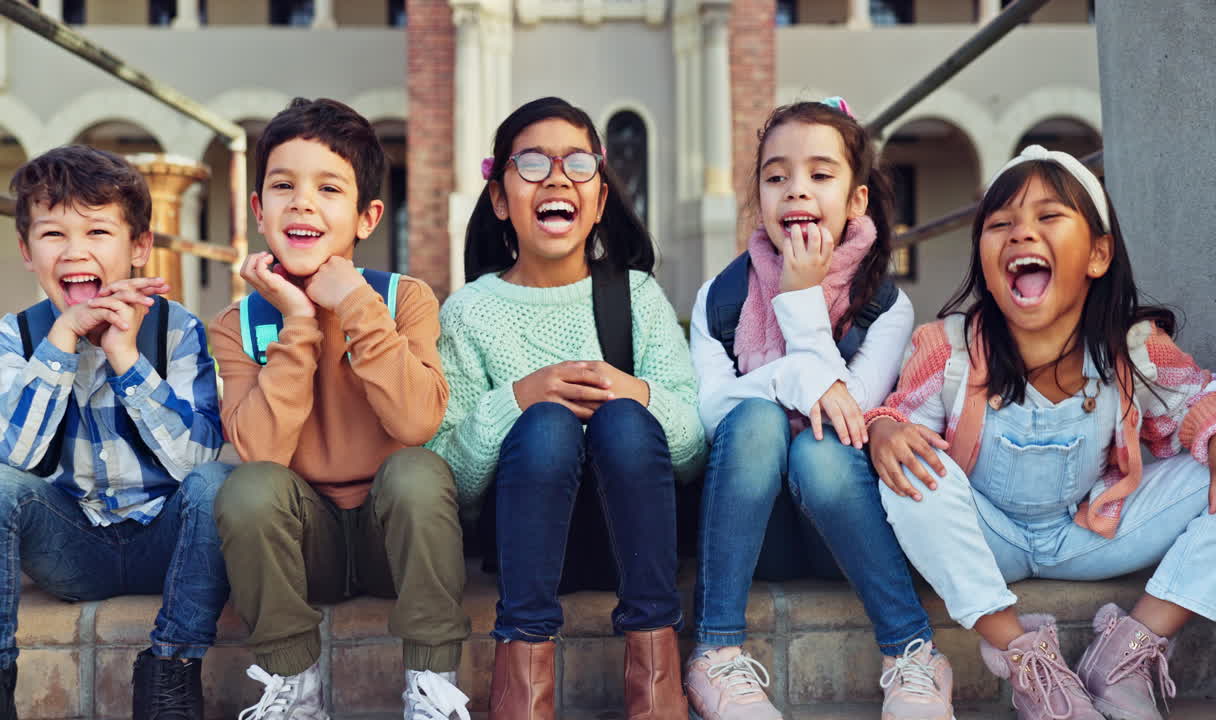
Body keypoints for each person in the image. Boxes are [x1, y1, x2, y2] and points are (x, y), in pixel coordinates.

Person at [867, 145, 1216, 720]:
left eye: (1048, 217)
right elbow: (901, 415)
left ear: (1098, 254)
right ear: (983, 258)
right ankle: (1025, 658)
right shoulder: (949, 348)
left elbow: (1200, 396)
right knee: (910, 475)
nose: (1020, 234)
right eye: (1000, 224)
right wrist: (886, 430)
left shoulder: (1130, 350)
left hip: (1090, 530)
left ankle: (1127, 654)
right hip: (991, 539)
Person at [427, 96, 706, 720]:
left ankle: (656, 685)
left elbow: (691, 451)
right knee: (547, 422)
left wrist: (633, 392)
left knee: (626, 417)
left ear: (600, 199)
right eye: (531, 163)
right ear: (500, 199)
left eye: (578, 163)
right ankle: (522, 689)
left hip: (630, 542)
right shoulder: (469, 313)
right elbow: (451, 477)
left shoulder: (637, 296)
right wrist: (520, 399)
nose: (556, 177)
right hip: (523, 544)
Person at [685, 98, 952, 720]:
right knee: (751, 421)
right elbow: (711, 410)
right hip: (753, 532)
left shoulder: (885, 306)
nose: (796, 191)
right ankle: (716, 653)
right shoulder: (720, 299)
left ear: (857, 200)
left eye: (820, 175)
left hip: (843, 524)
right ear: (758, 194)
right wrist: (797, 375)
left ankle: (912, 650)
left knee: (821, 445)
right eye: (776, 177)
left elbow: (849, 416)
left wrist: (801, 300)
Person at [210, 98, 469, 719]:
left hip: (392, 538)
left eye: (328, 188)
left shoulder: (403, 298)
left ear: (366, 216)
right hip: (306, 545)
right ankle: (294, 689)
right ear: (258, 210)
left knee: (418, 470)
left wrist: (353, 304)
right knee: (246, 490)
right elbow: (264, 456)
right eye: (283, 186)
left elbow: (416, 422)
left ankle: (431, 688)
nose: (302, 202)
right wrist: (298, 322)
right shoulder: (236, 322)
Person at [0, 145, 228, 719]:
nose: (76, 251)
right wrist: (61, 342)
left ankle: (171, 671)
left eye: (98, 231)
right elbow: (15, 457)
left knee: (220, 482)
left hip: (168, 543)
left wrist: (125, 358)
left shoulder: (178, 331)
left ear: (139, 247)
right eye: (53, 235)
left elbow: (193, 460)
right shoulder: (15, 337)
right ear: (27, 251)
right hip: (72, 546)